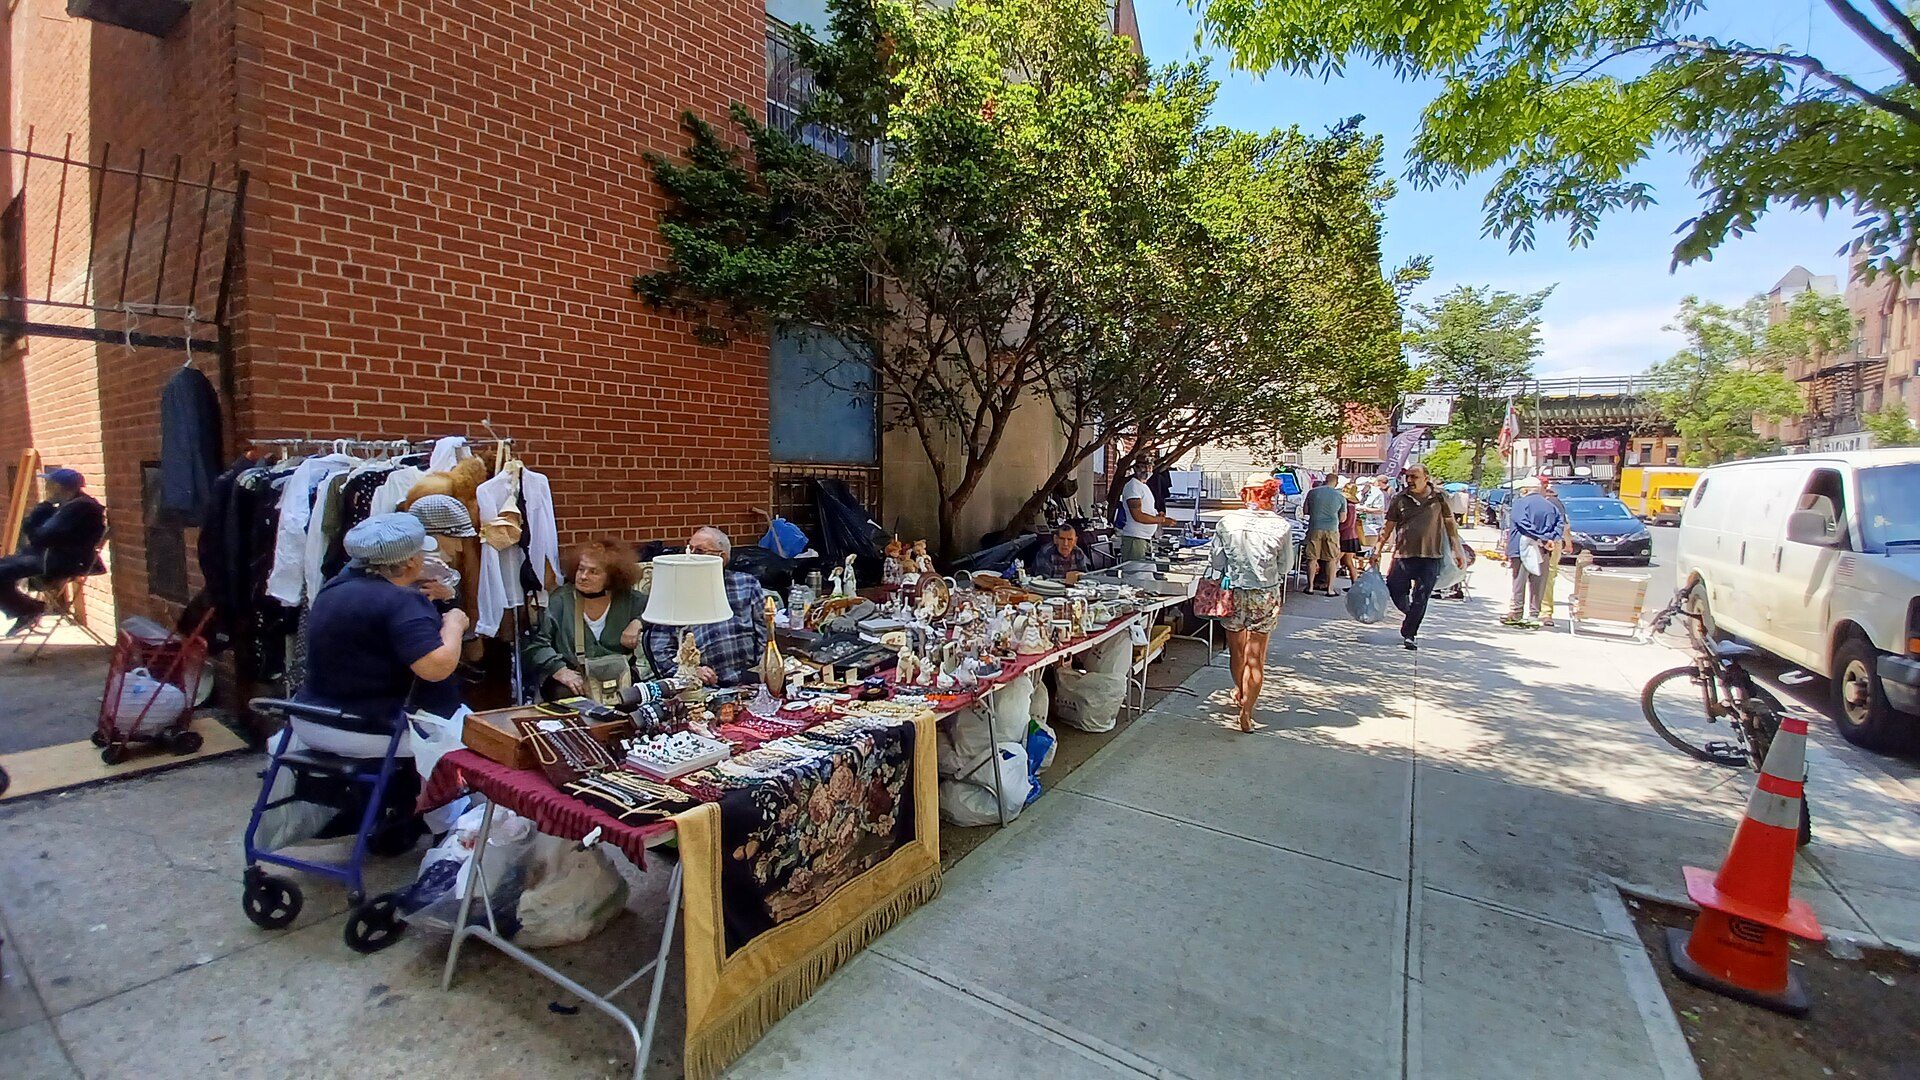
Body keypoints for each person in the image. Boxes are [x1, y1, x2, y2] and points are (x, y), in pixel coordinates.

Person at [293, 513, 466, 756]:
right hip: (363, 727)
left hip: (310, 720)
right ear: (410, 561)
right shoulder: (402, 601)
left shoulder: (333, 588)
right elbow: (436, 668)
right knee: (485, 739)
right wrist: (455, 623)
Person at [1208, 478, 1292, 732]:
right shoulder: (1280, 525)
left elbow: (1216, 561)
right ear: (1272, 495)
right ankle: (1247, 711)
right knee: (1256, 656)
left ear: (1245, 494)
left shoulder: (1227, 522)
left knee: (1237, 651)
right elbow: (1285, 566)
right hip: (1264, 594)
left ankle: (1241, 691)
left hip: (1233, 591)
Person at [523, 539, 649, 701]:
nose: (583, 577)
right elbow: (536, 646)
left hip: (620, 679)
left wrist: (639, 622)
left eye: (593, 572)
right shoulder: (560, 601)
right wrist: (559, 670)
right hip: (574, 681)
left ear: (612, 577)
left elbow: (659, 611)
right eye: (581, 569)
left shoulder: (630, 600)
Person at [643, 526, 767, 686]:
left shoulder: (746, 584)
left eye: (700, 551)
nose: (691, 557)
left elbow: (766, 634)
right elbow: (660, 648)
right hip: (701, 686)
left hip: (748, 682)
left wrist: (762, 672)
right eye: (690, 550)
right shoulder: (676, 592)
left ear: (722, 558)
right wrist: (691, 671)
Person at [1, 468, 107, 636]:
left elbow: (40, 536)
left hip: (61, 561)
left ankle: (27, 609)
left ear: (62, 488)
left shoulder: (79, 508)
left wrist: (44, 506)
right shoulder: (69, 505)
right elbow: (34, 530)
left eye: (50, 484)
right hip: (51, 556)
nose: (47, 488)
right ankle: (25, 609)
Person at [1377, 463, 1466, 651]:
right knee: (1394, 587)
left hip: (1431, 555)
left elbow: (1450, 524)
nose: (1409, 480)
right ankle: (1411, 614)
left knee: (1422, 596)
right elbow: (1388, 526)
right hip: (1403, 554)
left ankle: (1410, 633)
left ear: (1426, 478)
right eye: (1407, 476)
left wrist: (1457, 549)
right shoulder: (1399, 499)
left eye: (1414, 477)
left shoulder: (1439, 497)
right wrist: (1377, 549)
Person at [1503, 477, 1567, 629]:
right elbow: (1560, 524)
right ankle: (1533, 615)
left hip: (1520, 548)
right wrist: (1549, 538)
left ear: (1525, 489)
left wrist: (1539, 536)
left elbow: (1522, 522)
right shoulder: (1550, 505)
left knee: (1519, 581)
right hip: (1543, 548)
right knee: (1538, 582)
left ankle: (1516, 613)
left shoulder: (1520, 503)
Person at [1119, 457, 1179, 562]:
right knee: (1136, 571)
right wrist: (1162, 520)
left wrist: (1157, 515)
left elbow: (1146, 511)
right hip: (1135, 539)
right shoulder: (1133, 486)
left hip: (1144, 539)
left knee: (1147, 571)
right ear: (1135, 468)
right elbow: (1137, 515)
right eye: (1143, 467)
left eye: (1150, 467)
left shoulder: (1144, 486)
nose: (1147, 470)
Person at [1535, 478, 1575, 628]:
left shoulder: (1553, 502)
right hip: (1535, 541)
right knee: (1537, 576)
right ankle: (1535, 609)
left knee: (1548, 576)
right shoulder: (1532, 501)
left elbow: (1563, 524)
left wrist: (1567, 542)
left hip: (1551, 543)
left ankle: (1545, 612)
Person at [1301, 476, 1348, 596]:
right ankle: (1330, 589)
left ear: (1325, 480)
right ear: (1336, 482)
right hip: (1332, 530)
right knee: (1331, 559)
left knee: (1312, 558)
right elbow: (1342, 518)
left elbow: (1305, 511)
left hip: (1314, 528)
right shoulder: (1340, 496)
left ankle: (1310, 587)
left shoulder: (1312, 492)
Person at [1338, 481, 1365, 585]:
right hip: (1351, 537)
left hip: (1346, 537)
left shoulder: (1349, 506)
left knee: (1335, 560)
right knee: (1348, 562)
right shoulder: (1352, 506)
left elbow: (1347, 524)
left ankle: (1327, 583)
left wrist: (1338, 528)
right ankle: (1354, 584)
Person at [1359, 476, 1389, 547]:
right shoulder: (1359, 493)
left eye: (1363, 488)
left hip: (1374, 524)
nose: (1361, 491)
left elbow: (1380, 510)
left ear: (1367, 485)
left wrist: (1364, 509)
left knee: (1371, 546)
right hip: (1362, 523)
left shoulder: (1377, 493)